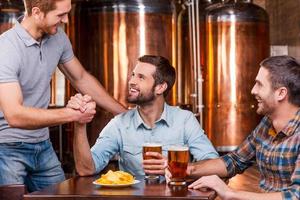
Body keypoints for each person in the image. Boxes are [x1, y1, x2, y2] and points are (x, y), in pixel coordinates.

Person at [0, 0, 125, 192]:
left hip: (42, 145)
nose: (66, 20)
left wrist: (124, 114)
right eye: (60, 15)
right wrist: (73, 115)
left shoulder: (58, 38)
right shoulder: (6, 48)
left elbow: (81, 78)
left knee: (64, 196)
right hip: (7, 148)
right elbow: (14, 115)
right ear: (37, 12)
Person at [166, 55, 300, 200]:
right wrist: (187, 169)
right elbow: (235, 161)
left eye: (259, 84)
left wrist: (231, 193)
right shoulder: (267, 123)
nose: (253, 91)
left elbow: (295, 196)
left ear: (281, 93)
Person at [69, 55, 219, 177]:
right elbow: (86, 169)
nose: (132, 81)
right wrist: (80, 124)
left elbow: (213, 164)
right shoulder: (120, 124)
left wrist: (176, 167)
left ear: (160, 87)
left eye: (141, 77)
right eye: (133, 75)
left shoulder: (184, 120)